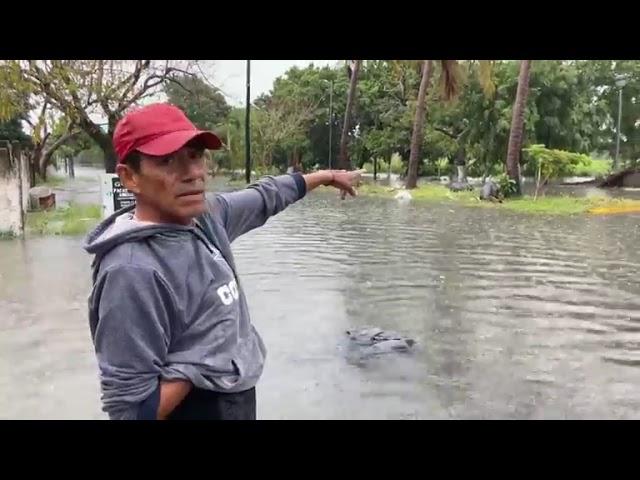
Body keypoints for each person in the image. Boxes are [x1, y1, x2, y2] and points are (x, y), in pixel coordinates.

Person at [84, 103, 362, 420]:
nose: (193, 174)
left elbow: (267, 195)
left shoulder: (205, 217)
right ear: (130, 176)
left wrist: (326, 176)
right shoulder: (132, 271)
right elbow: (131, 412)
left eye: (195, 155)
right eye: (166, 161)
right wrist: (208, 353)